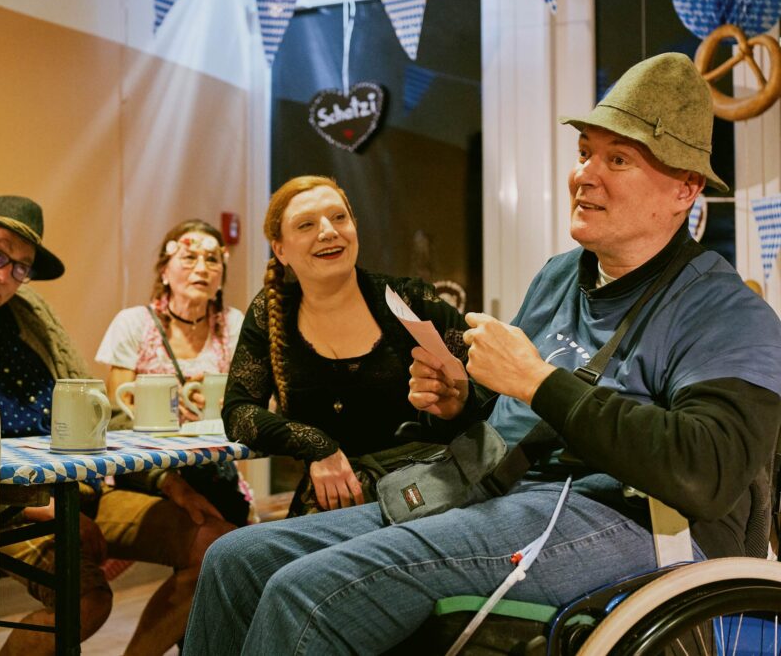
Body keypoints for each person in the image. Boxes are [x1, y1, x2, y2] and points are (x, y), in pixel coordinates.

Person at [182, 53, 781, 654]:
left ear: (685, 188)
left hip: (629, 516)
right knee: (236, 560)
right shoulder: (560, 276)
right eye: (584, 153)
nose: (585, 175)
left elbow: (707, 473)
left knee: (307, 593)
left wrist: (540, 381)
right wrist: (460, 401)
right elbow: (506, 413)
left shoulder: (725, 311)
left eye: (617, 159)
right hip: (501, 487)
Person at [0, 196, 232, 656]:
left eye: (21, 267)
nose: (6, 276)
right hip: (1, 508)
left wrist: (167, 481)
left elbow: (97, 408)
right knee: (84, 601)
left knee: (217, 545)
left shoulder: (31, 312)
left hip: (82, 488)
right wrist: (39, 506)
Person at [223, 175, 467, 517]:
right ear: (280, 250)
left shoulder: (408, 299)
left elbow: (486, 383)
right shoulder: (271, 311)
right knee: (237, 547)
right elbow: (238, 413)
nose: (328, 231)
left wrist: (457, 400)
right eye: (306, 224)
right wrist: (317, 446)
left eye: (339, 217)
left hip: (423, 497)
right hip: (330, 504)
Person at [96, 219, 250, 526]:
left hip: (215, 471)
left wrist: (232, 402)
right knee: (211, 532)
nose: (202, 268)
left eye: (212, 260)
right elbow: (116, 413)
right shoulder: (134, 323)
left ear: (221, 276)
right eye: (189, 257)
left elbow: (254, 400)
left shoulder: (233, 324)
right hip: (145, 471)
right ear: (165, 272)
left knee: (233, 530)